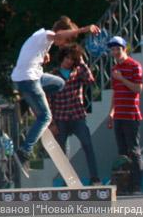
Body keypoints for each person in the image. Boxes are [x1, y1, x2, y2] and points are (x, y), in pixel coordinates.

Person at [11, 17, 100, 175]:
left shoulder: (42, 40)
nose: (63, 44)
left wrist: (43, 56)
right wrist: (84, 29)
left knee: (59, 83)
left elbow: (31, 52)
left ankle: (30, 101)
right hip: (29, 79)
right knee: (46, 117)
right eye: (65, 40)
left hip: (33, 77)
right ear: (62, 32)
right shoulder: (47, 34)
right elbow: (58, 35)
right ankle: (24, 151)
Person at [47, 45, 100, 184]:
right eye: (67, 58)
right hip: (60, 117)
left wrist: (81, 62)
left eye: (72, 59)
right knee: (62, 152)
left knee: (87, 145)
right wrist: (51, 123)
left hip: (77, 115)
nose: (69, 61)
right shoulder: (53, 75)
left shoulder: (78, 72)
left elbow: (91, 81)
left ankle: (94, 178)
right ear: (62, 57)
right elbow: (49, 99)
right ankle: (67, 180)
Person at [107, 36, 143, 194]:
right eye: (113, 49)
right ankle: (124, 185)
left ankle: (137, 185)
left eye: (118, 49)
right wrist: (111, 113)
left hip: (131, 114)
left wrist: (122, 78)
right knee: (122, 153)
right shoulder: (114, 69)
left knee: (133, 151)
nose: (115, 52)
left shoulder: (134, 65)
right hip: (119, 115)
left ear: (124, 49)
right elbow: (115, 93)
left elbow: (138, 89)